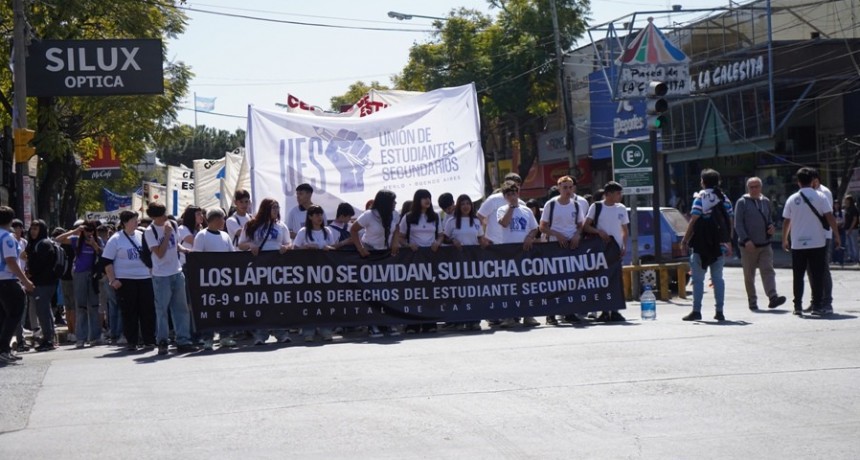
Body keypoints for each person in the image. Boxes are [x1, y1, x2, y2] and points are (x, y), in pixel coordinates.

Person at [782, 167, 841, 317]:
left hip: (798, 243)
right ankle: (817, 306)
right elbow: (830, 218)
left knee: (798, 275)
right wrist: (837, 236)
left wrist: (784, 239)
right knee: (818, 274)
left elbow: (786, 222)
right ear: (812, 180)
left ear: (798, 182)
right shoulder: (820, 196)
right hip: (818, 242)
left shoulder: (792, 199)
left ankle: (798, 306)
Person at [144, 203, 197, 355]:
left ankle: (183, 340)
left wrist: (185, 250)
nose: (165, 217)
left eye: (165, 213)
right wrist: (166, 235)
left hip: (176, 271)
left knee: (181, 309)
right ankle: (162, 340)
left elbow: (176, 245)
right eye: (161, 215)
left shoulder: (172, 224)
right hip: (161, 276)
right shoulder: (150, 231)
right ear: (154, 217)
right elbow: (159, 253)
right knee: (162, 310)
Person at [681, 169, 734, 322]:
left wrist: (685, 240)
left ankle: (696, 311)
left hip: (701, 245)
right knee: (718, 278)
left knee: (698, 279)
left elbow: (693, 220)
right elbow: (729, 221)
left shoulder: (700, 198)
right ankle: (720, 312)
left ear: (702, 182)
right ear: (718, 182)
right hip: (720, 245)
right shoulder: (724, 199)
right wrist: (729, 242)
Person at [239, 198, 293, 345]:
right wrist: (251, 245)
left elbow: (289, 242)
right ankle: (260, 333)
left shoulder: (281, 226)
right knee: (261, 300)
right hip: (259, 266)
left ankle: (280, 332)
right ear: (265, 209)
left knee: (277, 299)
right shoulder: (251, 225)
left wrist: (286, 247)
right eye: (273, 208)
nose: (276, 210)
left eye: (277, 207)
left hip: (277, 266)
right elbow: (241, 244)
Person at [103, 211, 156, 351]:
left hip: (145, 278)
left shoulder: (141, 235)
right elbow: (107, 261)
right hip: (126, 280)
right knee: (129, 312)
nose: (136, 223)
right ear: (125, 222)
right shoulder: (115, 239)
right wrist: (113, 279)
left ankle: (149, 339)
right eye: (133, 220)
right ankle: (132, 341)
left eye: (136, 220)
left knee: (147, 311)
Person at [350, 189, 400, 338]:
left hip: (385, 253)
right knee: (372, 292)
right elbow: (353, 230)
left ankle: (388, 323)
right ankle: (373, 324)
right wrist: (360, 249)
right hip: (370, 254)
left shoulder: (394, 214)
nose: (395, 204)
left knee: (386, 291)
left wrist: (395, 242)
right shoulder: (368, 215)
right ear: (385, 202)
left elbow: (397, 227)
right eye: (393, 201)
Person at [539, 175, 589, 325]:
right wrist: (556, 234)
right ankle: (551, 314)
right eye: (565, 187)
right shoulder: (551, 204)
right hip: (554, 246)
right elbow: (542, 226)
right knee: (553, 281)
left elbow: (581, 225)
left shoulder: (576, 205)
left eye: (570, 187)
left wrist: (577, 235)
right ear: (559, 188)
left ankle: (569, 311)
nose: (568, 190)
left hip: (571, 247)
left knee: (570, 281)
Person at [395, 189, 444, 334]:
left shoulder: (435, 216)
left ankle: (430, 322)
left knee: (430, 290)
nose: (427, 200)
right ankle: (413, 324)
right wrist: (408, 245)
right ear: (418, 200)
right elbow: (401, 237)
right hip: (413, 259)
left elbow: (441, 234)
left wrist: (437, 242)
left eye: (429, 197)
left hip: (431, 257)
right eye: (424, 198)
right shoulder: (408, 217)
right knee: (415, 291)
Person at [734, 177, 786, 311]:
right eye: (751, 187)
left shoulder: (766, 201)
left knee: (768, 270)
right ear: (748, 189)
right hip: (748, 246)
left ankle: (772, 297)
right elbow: (738, 224)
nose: (754, 189)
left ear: (761, 187)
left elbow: (769, 219)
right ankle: (752, 300)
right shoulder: (742, 202)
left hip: (765, 244)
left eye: (756, 186)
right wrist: (746, 240)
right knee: (749, 275)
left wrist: (771, 227)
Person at [582, 181, 630, 322]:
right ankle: (603, 310)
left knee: (615, 280)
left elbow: (625, 230)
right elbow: (586, 226)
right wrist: (598, 232)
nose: (620, 196)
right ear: (608, 194)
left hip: (615, 249)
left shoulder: (621, 208)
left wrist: (624, 246)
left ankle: (615, 310)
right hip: (600, 249)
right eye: (617, 193)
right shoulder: (596, 207)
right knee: (602, 280)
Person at [192, 208, 237, 350]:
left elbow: (232, 256)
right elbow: (196, 258)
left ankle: (225, 337)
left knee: (225, 308)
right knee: (209, 310)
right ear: (216, 219)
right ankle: (207, 339)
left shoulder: (225, 236)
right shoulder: (202, 235)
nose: (224, 222)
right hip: (208, 282)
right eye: (222, 219)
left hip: (225, 280)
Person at [497, 182, 540, 328]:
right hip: (509, 252)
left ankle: (528, 315)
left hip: (524, 251)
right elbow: (504, 223)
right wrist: (511, 207)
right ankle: (509, 316)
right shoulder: (502, 209)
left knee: (526, 284)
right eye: (508, 194)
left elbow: (535, 228)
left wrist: (530, 237)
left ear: (518, 194)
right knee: (510, 286)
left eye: (514, 193)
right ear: (505, 197)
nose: (512, 196)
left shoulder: (527, 211)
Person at [443, 194, 488, 331]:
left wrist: (484, 242)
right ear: (458, 206)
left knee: (473, 291)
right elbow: (444, 238)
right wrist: (452, 241)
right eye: (462, 204)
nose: (466, 206)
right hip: (457, 260)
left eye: (468, 203)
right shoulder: (451, 221)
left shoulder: (475, 221)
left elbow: (480, 237)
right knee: (459, 291)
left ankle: (474, 320)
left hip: (473, 260)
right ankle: (459, 319)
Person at [56, 220, 104, 347]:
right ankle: (81, 338)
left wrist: (94, 244)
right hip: (79, 274)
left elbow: (103, 254)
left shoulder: (98, 240)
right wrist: (75, 231)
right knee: (80, 306)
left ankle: (95, 336)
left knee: (94, 306)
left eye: (91, 230)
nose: (89, 233)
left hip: (93, 275)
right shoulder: (76, 239)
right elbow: (58, 239)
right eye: (86, 230)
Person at [294, 205, 337, 342]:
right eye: (316, 215)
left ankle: (325, 329)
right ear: (310, 217)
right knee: (309, 301)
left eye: (320, 214)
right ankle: (308, 330)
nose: (319, 217)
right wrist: (305, 247)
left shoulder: (327, 231)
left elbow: (334, 247)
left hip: (324, 272)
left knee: (324, 301)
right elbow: (295, 248)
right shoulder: (303, 232)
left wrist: (327, 248)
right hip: (308, 271)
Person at [0, 207, 35, 364]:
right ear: (11, 220)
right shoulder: (8, 237)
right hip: (7, 280)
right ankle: (3, 349)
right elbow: (11, 261)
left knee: (2, 316)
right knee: (15, 314)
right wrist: (25, 281)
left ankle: (3, 349)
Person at [25, 220, 59, 351]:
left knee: (43, 312)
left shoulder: (43, 244)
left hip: (43, 283)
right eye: (32, 228)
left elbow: (40, 265)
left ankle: (48, 340)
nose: (33, 231)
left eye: (36, 229)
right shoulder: (41, 243)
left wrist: (30, 274)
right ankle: (49, 338)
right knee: (45, 310)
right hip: (46, 283)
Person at [808, 169, 834, 313]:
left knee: (823, 269)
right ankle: (815, 300)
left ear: (816, 180)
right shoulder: (807, 192)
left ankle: (827, 301)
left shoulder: (824, 192)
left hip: (824, 235)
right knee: (811, 270)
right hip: (811, 236)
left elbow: (826, 215)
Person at [478, 173, 525, 245]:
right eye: (511, 184)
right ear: (505, 185)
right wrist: (481, 237)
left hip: (514, 246)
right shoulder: (494, 199)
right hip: (492, 245)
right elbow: (478, 218)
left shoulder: (522, 204)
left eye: (518, 185)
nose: (515, 187)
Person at [843, 195, 859, 264]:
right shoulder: (846, 209)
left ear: (849, 200)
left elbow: (855, 219)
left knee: (854, 244)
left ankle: (856, 258)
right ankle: (851, 257)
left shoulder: (854, 209)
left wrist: (850, 229)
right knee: (848, 244)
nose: (845, 201)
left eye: (846, 199)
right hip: (846, 229)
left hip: (853, 229)